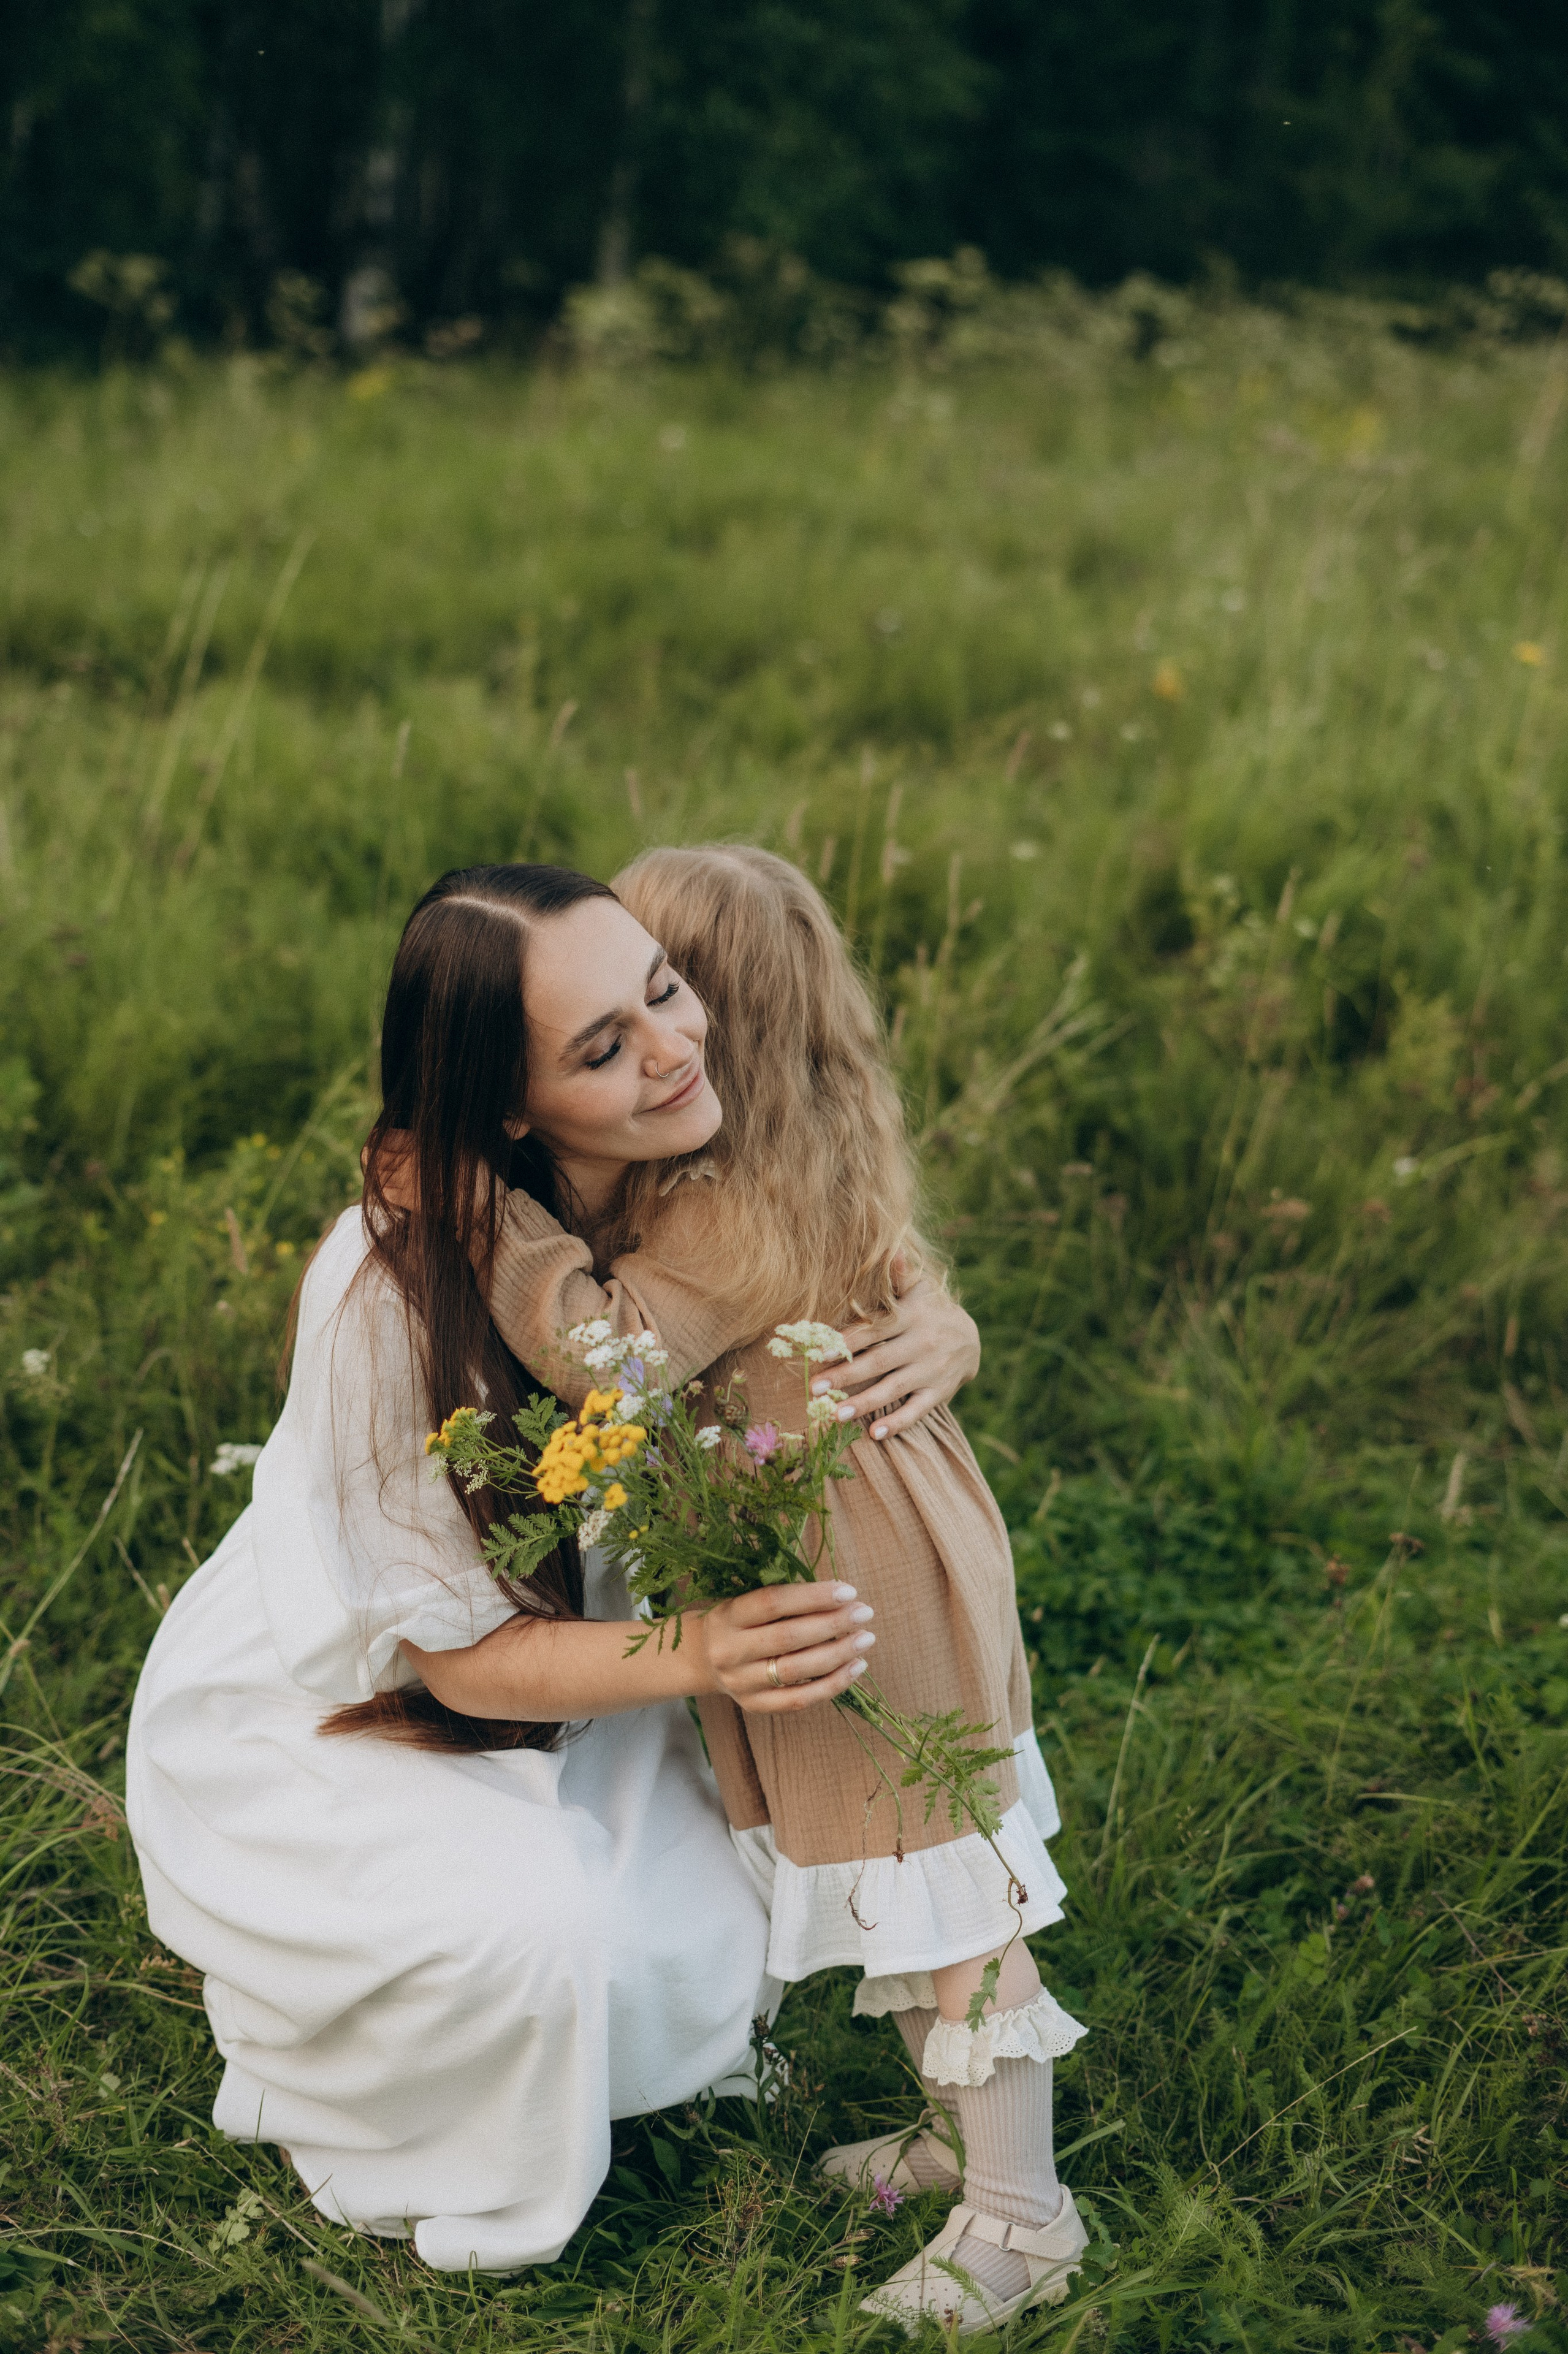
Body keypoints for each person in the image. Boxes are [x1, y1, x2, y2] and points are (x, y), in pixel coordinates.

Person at [125, 861, 980, 2275]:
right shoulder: (386, 1287)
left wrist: (941, 1314)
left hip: (592, 1666)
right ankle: (352, 2072)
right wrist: (703, 1655)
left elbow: (843, 1228)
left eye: (662, 986)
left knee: (733, 1912)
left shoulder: (688, 1165)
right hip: (372, 1700)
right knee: (534, 1943)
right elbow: (450, 1656)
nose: (674, 1044)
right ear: (509, 1107)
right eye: (604, 1048)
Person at [471, 847, 1088, 2332]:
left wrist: (488, 1224)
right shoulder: (804, 1148)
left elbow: (600, 1357)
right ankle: (953, 2146)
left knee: (947, 1898)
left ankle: (1026, 2216)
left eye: (660, 991)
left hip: (851, 1565)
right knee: (912, 1862)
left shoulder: (719, 1210)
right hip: (895, 1535)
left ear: (713, 1022)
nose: (647, 1032)